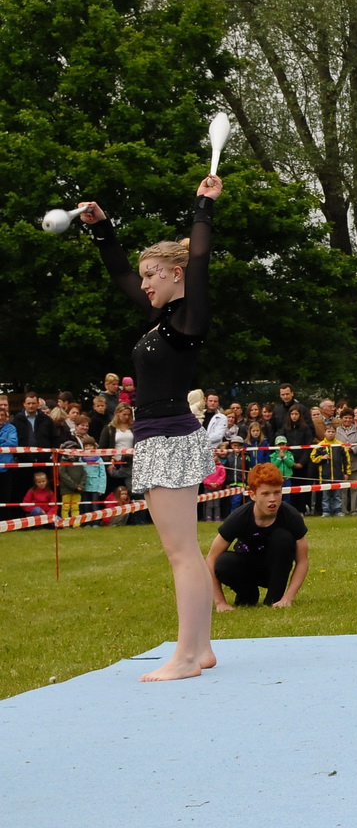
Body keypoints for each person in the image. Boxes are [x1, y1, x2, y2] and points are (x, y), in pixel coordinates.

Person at [79, 174, 223, 680]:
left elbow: (202, 258)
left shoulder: (188, 319)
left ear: (178, 274)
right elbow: (119, 273)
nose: (144, 284)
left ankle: (185, 657)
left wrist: (203, 206)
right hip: (163, 436)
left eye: (154, 275)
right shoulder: (165, 319)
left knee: (181, 552)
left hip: (167, 437)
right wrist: (102, 229)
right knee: (186, 549)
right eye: (145, 276)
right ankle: (200, 648)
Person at [209, 463, 309, 609]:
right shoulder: (239, 517)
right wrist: (220, 603)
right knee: (224, 562)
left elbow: (303, 561)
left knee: (283, 537)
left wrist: (288, 598)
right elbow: (211, 559)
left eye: (277, 492)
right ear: (253, 495)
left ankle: (274, 600)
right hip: (247, 568)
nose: (273, 499)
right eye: (266, 494)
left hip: (275, 570)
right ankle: (247, 596)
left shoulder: (291, 516)